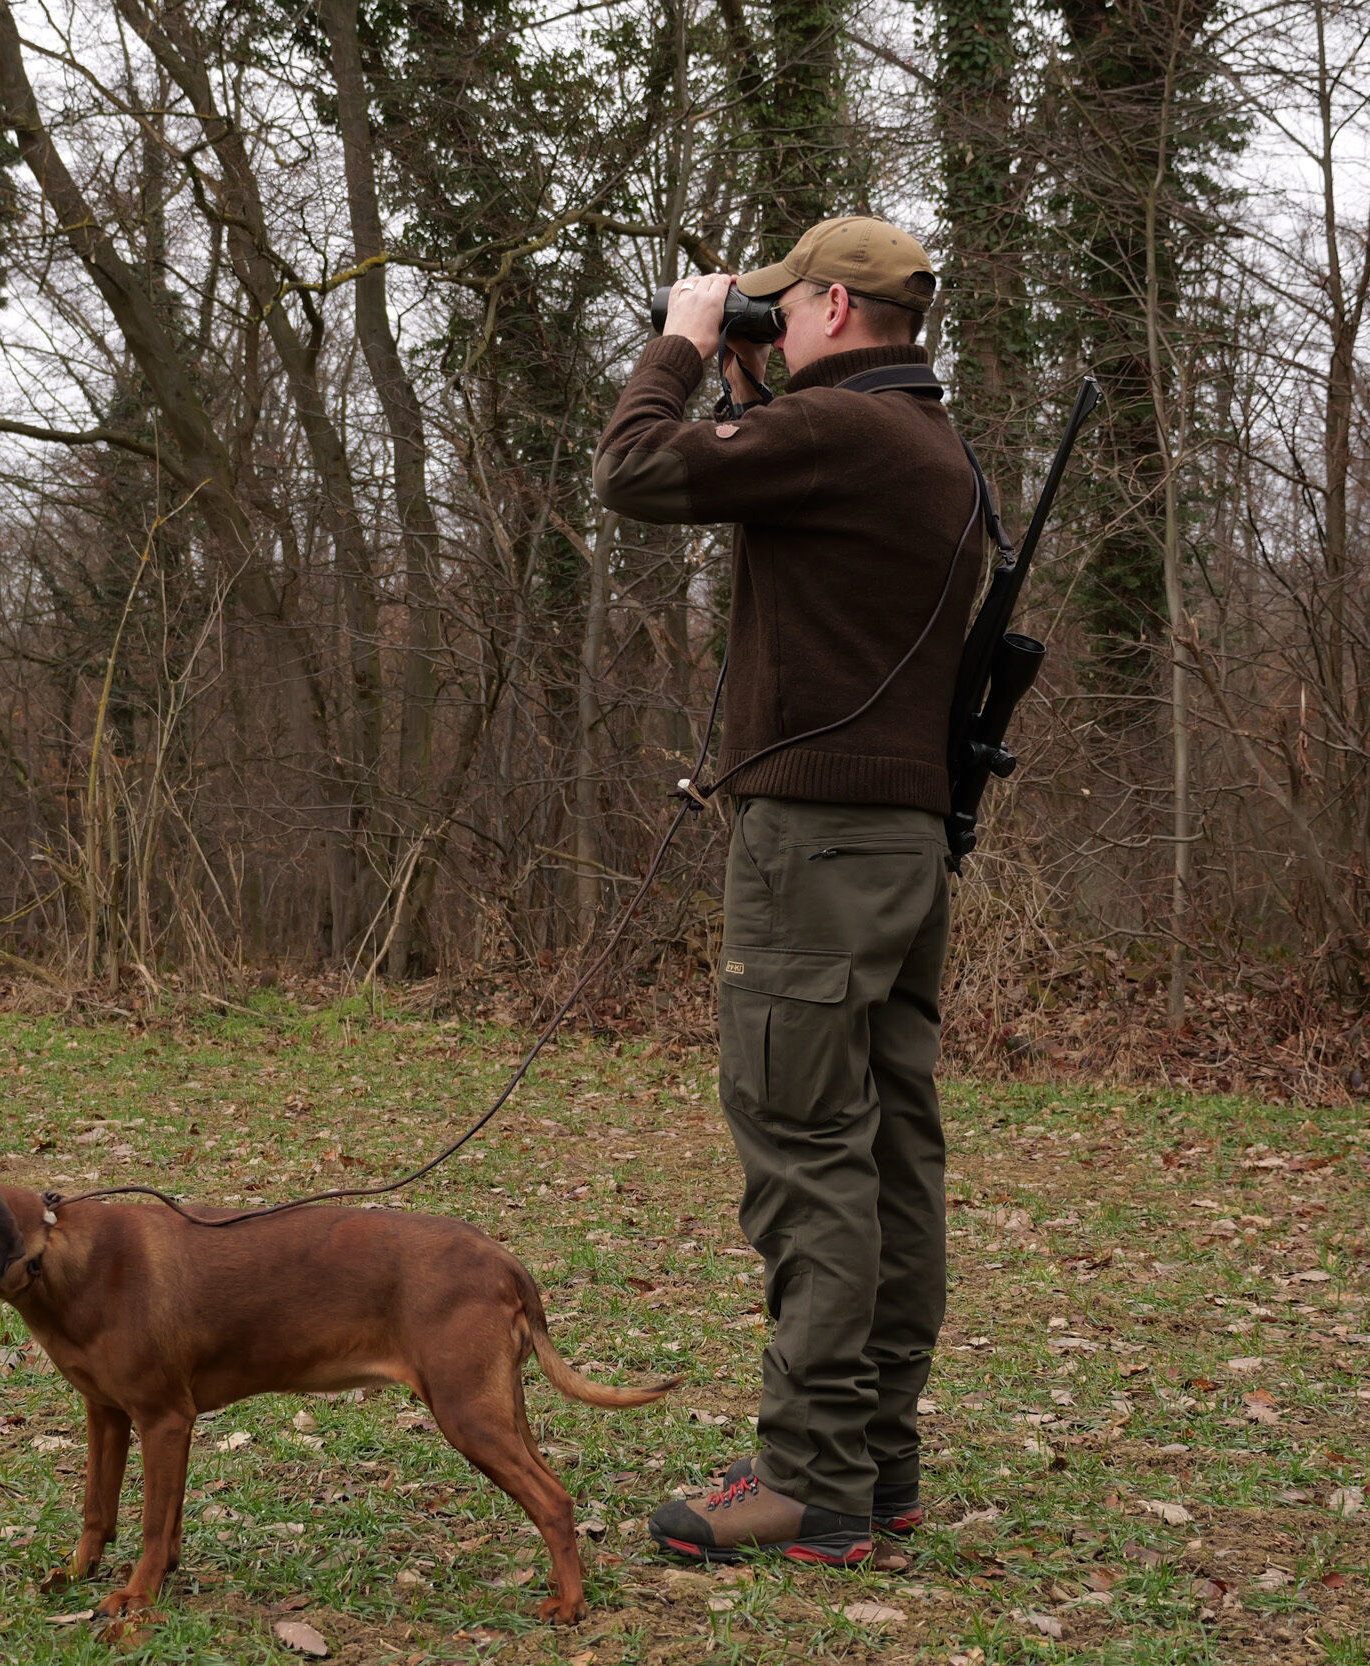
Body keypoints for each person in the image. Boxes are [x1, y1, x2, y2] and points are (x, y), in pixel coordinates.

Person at [594, 216, 985, 1566]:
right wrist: (754, 393)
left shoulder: (842, 434)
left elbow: (635, 470)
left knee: (806, 1145)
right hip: (901, 843)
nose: (759, 321)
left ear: (828, 307)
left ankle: (812, 1478)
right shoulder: (929, 443)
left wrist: (681, 346)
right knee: (890, 1153)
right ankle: (875, 1462)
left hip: (815, 848)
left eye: (779, 305)